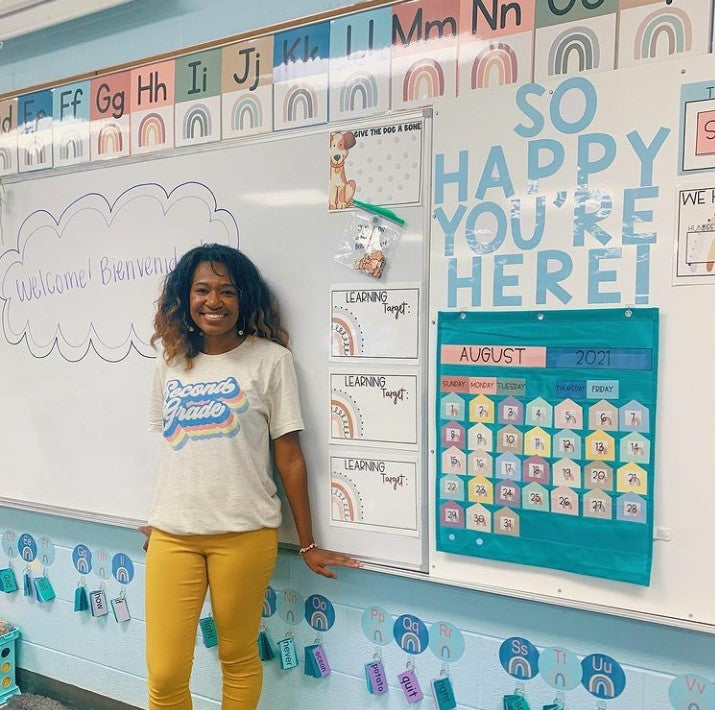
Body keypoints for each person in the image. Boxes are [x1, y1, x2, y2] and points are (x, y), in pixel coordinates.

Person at [141, 243, 360, 710]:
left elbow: (291, 459)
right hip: (173, 536)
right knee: (164, 674)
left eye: (227, 290)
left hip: (244, 534)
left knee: (237, 657)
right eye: (202, 289)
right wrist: (160, 516)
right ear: (186, 296)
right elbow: (172, 448)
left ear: (245, 300)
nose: (213, 301)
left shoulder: (271, 361)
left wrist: (307, 542)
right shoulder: (171, 362)